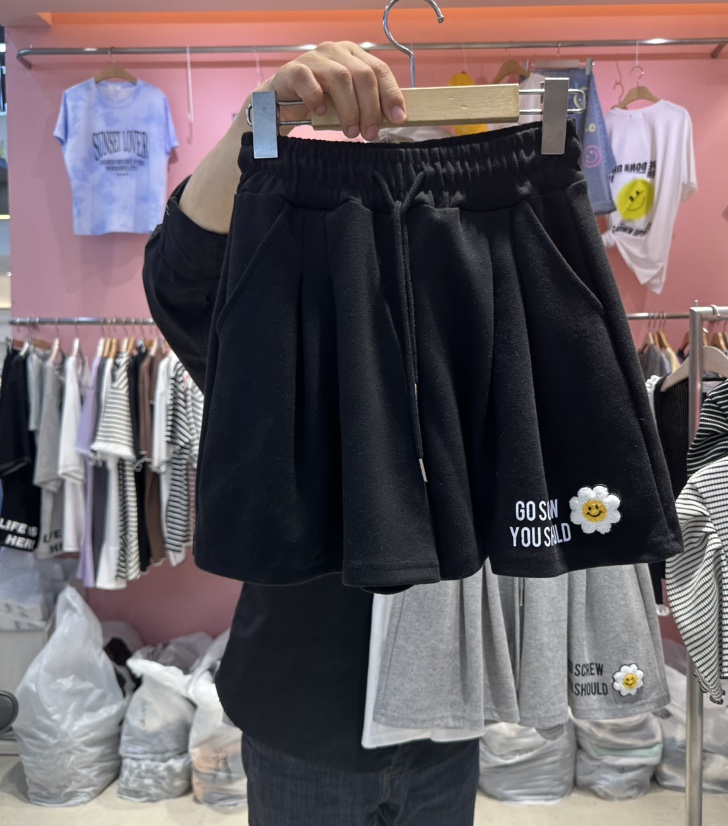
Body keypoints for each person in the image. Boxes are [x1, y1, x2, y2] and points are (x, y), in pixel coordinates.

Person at [143, 42, 480, 826]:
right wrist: (263, 117)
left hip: (447, 715)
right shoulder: (288, 335)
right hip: (302, 713)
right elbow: (181, 276)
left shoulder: (479, 333)